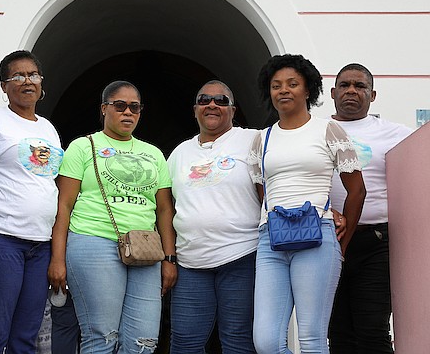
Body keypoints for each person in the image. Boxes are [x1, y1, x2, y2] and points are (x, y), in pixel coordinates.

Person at [247, 54, 366, 353]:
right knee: (266, 342)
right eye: (276, 85)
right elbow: (264, 190)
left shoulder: (328, 130)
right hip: (271, 239)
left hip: (318, 237)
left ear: (308, 90)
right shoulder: (262, 139)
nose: (283, 90)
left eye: (292, 84)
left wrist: (343, 241)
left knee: (311, 338)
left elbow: (357, 191)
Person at [48, 80, 177, 353]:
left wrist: (169, 258)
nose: (127, 112)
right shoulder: (83, 147)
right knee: (102, 336)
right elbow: (64, 206)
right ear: (104, 109)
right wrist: (57, 259)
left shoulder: (153, 153)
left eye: (134, 107)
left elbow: (164, 209)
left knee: (144, 342)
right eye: (120, 106)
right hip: (93, 241)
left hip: (145, 249)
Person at [0, 50, 63, 353]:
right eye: (18, 76)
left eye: (33, 75)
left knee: (26, 337)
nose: (27, 81)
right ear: (3, 85)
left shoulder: (47, 128)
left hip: (40, 245)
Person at [167, 80, 260, 353]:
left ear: (233, 110)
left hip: (242, 256)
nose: (212, 104)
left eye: (221, 101)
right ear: (195, 109)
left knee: (238, 341)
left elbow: (285, 174)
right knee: (184, 343)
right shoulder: (179, 154)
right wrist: (169, 257)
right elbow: (166, 210)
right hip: (190, 264)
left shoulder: (252, 139)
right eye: (204, 99)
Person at [328, 63, 412, 353]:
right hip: (328, 240)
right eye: (345, 85)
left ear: (372, 95)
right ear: (332, 92)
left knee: (372, 331)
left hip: (376, 243)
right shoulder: (315, 132)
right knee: (337, 332)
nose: (352, 91)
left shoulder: (396, 133)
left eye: (360, 86)